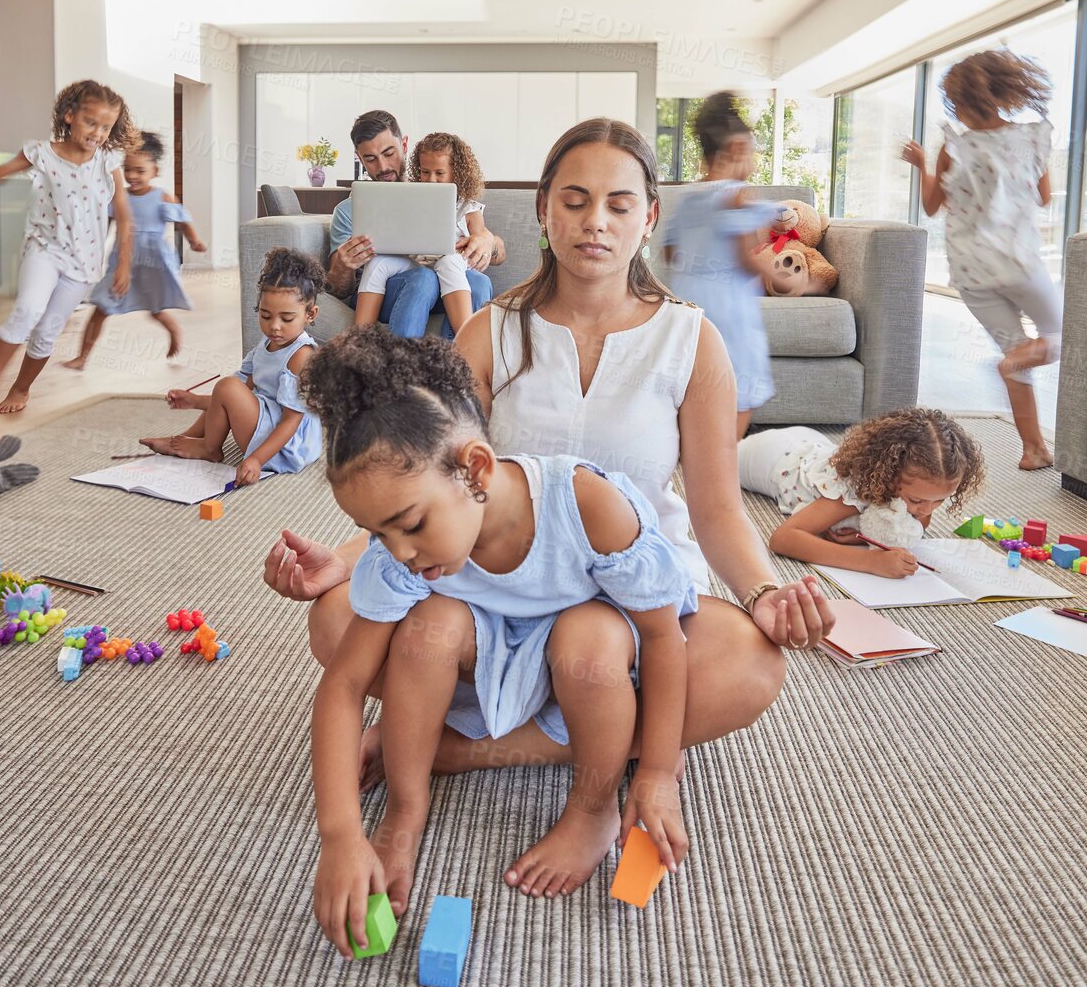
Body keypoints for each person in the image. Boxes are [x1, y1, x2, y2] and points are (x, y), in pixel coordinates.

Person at [264, 117, 830, 796]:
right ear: (543, 209)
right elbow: (433, 474)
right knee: (334, 616)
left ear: (648, 218)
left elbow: (717, 510)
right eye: (574, 200)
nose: (596, 221)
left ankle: (479, 746)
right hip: (503, 593)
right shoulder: (490, 330)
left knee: (752, 663)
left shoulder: (693, 341)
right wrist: (352, 555)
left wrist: (765, 593)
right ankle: (601, 731)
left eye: (619, 205)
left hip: (631, 599)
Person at [305, 328, 695, 941]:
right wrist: (341, 834)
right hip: (493, 655)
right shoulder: (402, 553)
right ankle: (408, 807)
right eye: (377, 534)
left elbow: (667, 640)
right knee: (428, 625)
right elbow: (344, 684)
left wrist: (656, 774)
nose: (398, 552)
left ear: (475, 469)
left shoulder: (588, 504)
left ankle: (591, 808)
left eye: (408, 524)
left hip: (590, 656)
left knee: (587, 640)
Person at [903, 48, 1060, 470]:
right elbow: (1044, 197)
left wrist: (923, 166)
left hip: (970, 269)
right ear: (1006, 92)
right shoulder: (1031, 138)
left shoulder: (952, 147)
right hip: (1018, 262)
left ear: (959, 103)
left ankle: (1034, 449)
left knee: (1015, 355)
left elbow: (932, 206)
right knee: (1068, 336)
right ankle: (1032, 432)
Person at [0, 80, 139, 414]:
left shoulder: (108, 164)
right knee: (28, 310)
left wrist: (123, 264)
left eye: (106, 126)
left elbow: (124, 217)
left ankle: (21, 389)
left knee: (48, 331)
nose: (98, 132)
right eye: (91, 122)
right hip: (44, 248)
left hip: (85, 262)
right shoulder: (41, 153)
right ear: (68, 116)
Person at [141, 247, 321, 484]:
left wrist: (255, 459)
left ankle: (209, 448)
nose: (274, 326)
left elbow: (291, 422)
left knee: (227, 386)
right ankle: (184, 439)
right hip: (267, 416)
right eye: (266, 316)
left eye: (286, 319)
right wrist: (195, 401)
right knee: (231, 386)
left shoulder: (301, 355)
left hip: (288, 445)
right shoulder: (267, 343)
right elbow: (239, 395)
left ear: (310, 314)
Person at [738, 409, 986, 577]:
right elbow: (784, 539)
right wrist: (870, 561)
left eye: (939, 501)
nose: (926, 511)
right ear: (887, 476)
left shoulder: (920, 497)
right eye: (917, 501)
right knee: (709, 460)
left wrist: (863, 537)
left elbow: (919, 523)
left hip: (812, 442)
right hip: (768, 456)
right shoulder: (852, 493)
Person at [659, 92, 777, 439]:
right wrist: (793, 283)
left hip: (689, 309)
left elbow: (669, 252)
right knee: (741, 388)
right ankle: (727, 454)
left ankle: (692, 450)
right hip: (730, 313)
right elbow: (746, 260)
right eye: (752, 153)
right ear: (738, 150)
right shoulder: (738, 196)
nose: (753, 163)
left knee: (695, 384)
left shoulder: (688, 195)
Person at [324, 110, 501, 337]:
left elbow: (498, 252)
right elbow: (337, 288)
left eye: (389, 153)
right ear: (359, 157)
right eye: (370, 159)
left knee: (479, 282)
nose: (383, 166)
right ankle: (395, 363)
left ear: (404, 144)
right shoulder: (348, 211)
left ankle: (458, 366)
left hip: (444, 282)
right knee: (422, 278)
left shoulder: (446, 199)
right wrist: (343, 266)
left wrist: (488, 240)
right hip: (392, 288)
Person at [66, 130, 203, 367]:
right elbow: (104, 225)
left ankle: (174, 333)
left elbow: (181, 219)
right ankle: (82, 357)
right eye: (127, 169)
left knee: (156, 308)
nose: (132, 175)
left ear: (154, 172)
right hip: (123, 262)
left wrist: (194, 240)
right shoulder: (119, 197)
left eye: (140, 171)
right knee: (101, 306)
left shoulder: (162, 196)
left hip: (154, 261)